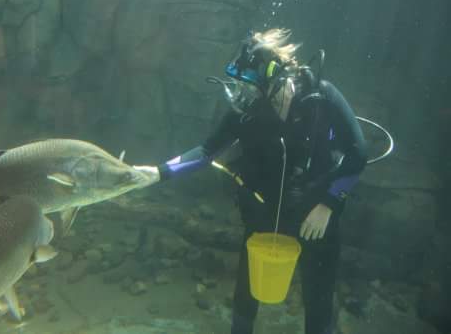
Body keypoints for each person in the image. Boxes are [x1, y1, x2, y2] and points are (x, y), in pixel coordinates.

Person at [134, 28, 367, 334]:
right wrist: (158, 172)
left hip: (316, 217)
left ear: (274, 78)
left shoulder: (320, 97)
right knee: (246, 298)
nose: (243, 94)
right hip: (263, 213)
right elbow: (206, 151)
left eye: (250, 87)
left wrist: (329, 203)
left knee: (319, 300)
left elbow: (358, 153)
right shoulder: (246, 111)